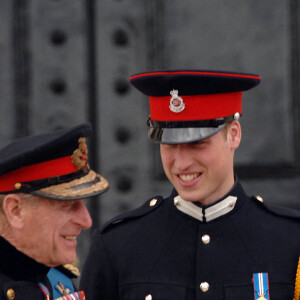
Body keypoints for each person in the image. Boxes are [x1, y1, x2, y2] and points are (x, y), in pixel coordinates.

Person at [80, 70, 300, 299]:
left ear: (233, 134)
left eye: (197, 143)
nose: (181, 163)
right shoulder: (118, 245)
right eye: (168, 144)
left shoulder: (290, 242)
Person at [0, 123, 109, 300]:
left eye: (82, 204)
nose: (86, 221)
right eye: (67, 206)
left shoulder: (56, 280)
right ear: (15, 210)